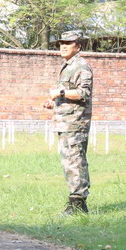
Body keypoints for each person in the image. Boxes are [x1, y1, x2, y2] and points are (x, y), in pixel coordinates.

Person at [43, 31, 93, 215]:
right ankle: (75, 202)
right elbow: (68, 95)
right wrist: (54, 103)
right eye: (61, 43)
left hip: (75, 124)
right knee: (69, 163)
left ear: (78, 46)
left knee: (75, 161)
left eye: (68, 43)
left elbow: (83, 94)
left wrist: (60, 93)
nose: (63, 46)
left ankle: (78, 203)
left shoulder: (81, 66)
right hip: (65, 122)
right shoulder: (68, 66)